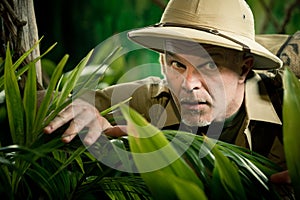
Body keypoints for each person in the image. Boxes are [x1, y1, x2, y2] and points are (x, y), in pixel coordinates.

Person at [44, 0, 297, 184]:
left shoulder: (288, 104)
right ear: (163, 63)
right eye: (178, 64)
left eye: (209, 65)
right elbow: (42, 103)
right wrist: (81, 112)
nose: (188, 84)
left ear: (244, 68)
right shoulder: (153, 99)